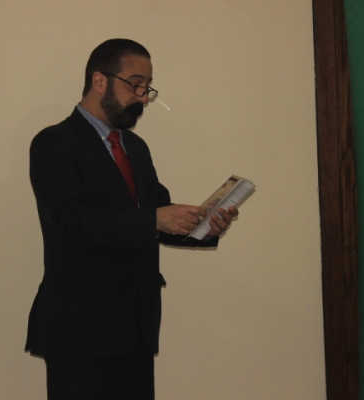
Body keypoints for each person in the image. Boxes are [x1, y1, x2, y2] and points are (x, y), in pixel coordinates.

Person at [25, 38, 238, 400]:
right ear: (99, 80)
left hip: (136, 329)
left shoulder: (135, 147)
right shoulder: (54, 143)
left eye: (147, 87)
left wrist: (206, 226)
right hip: (80, 330)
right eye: (135, 84)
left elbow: (158, 214)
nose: (142, 97)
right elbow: (70, 222)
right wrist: (155, 219)